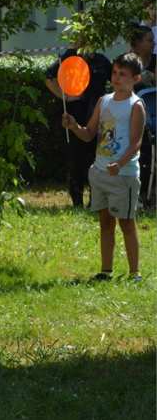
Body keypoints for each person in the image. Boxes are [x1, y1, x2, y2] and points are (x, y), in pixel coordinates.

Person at [62, 52, 145, 283]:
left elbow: (137, 141)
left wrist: (119, 163)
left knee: (127, 223)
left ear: (136, 79)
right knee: (106, 222)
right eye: (115, 73)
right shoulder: (104, 101)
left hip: (124, 175)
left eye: (123, 74)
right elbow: (88, 134)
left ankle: (134, 272)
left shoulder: (135, 105)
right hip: (100, 173)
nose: (117, 78)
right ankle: (105, 271)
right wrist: (73, 126)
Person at [45, 40, 112, 207]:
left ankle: (94, 200)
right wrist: (65, 97)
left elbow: (115, 80)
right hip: (76, 115)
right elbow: (49, 76)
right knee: (76, 159)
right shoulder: (69, 57)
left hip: (98, 115)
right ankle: (77, 201)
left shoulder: (101, 61)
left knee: (96, 157)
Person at [128, 24, 155, 206]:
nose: (153, 44)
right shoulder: (126, 62)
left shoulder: (155, 61)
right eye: (149, 40)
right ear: (137, 43)